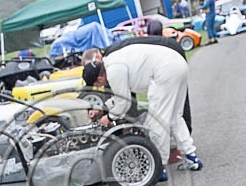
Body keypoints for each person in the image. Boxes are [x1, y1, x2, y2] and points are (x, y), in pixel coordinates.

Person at [82, 43, 202, 177]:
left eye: (97, 85)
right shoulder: (111, 62)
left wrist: (109, 118)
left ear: (100, 78)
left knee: (157, 122)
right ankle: (192, 157)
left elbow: (124, 102)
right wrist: (102, 109)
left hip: (164, 71)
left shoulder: (113, 72)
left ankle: (159, 167)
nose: (99, 87)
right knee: (175, 117)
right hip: (178, 64)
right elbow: (120, 97)